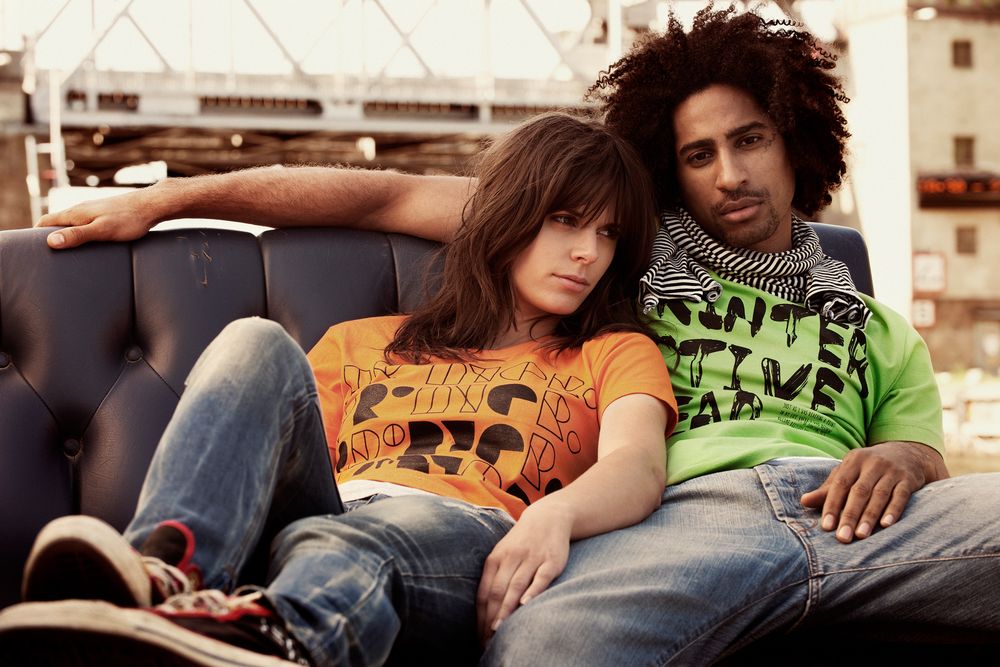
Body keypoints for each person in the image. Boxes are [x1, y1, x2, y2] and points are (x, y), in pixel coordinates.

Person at [15, 5, 1000, 663]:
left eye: (750, 140)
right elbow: (378, 194)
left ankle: (250, 625)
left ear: (795, 138)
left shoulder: (859, 324)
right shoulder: (638, 247)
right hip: (668, 521)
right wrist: (169, 199)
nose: (730, 174)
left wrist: (906, 457)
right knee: (529, 639)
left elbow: (919, 449)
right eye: (698, 153)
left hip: (841, 514)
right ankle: (164, 580)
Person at [0, 112, 678, 666]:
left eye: (608, 233)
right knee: (256, 343)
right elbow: (289, 475)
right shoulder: (365, 341)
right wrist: (156, 202)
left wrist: (554, 517)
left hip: (462, 541)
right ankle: (165, 574)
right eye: (566, 219)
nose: (589, 252)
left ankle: (273, 641)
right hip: (326, 515)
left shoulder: (613, 350)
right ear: (507, 215)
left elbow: (638, 465)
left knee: (357, 538)